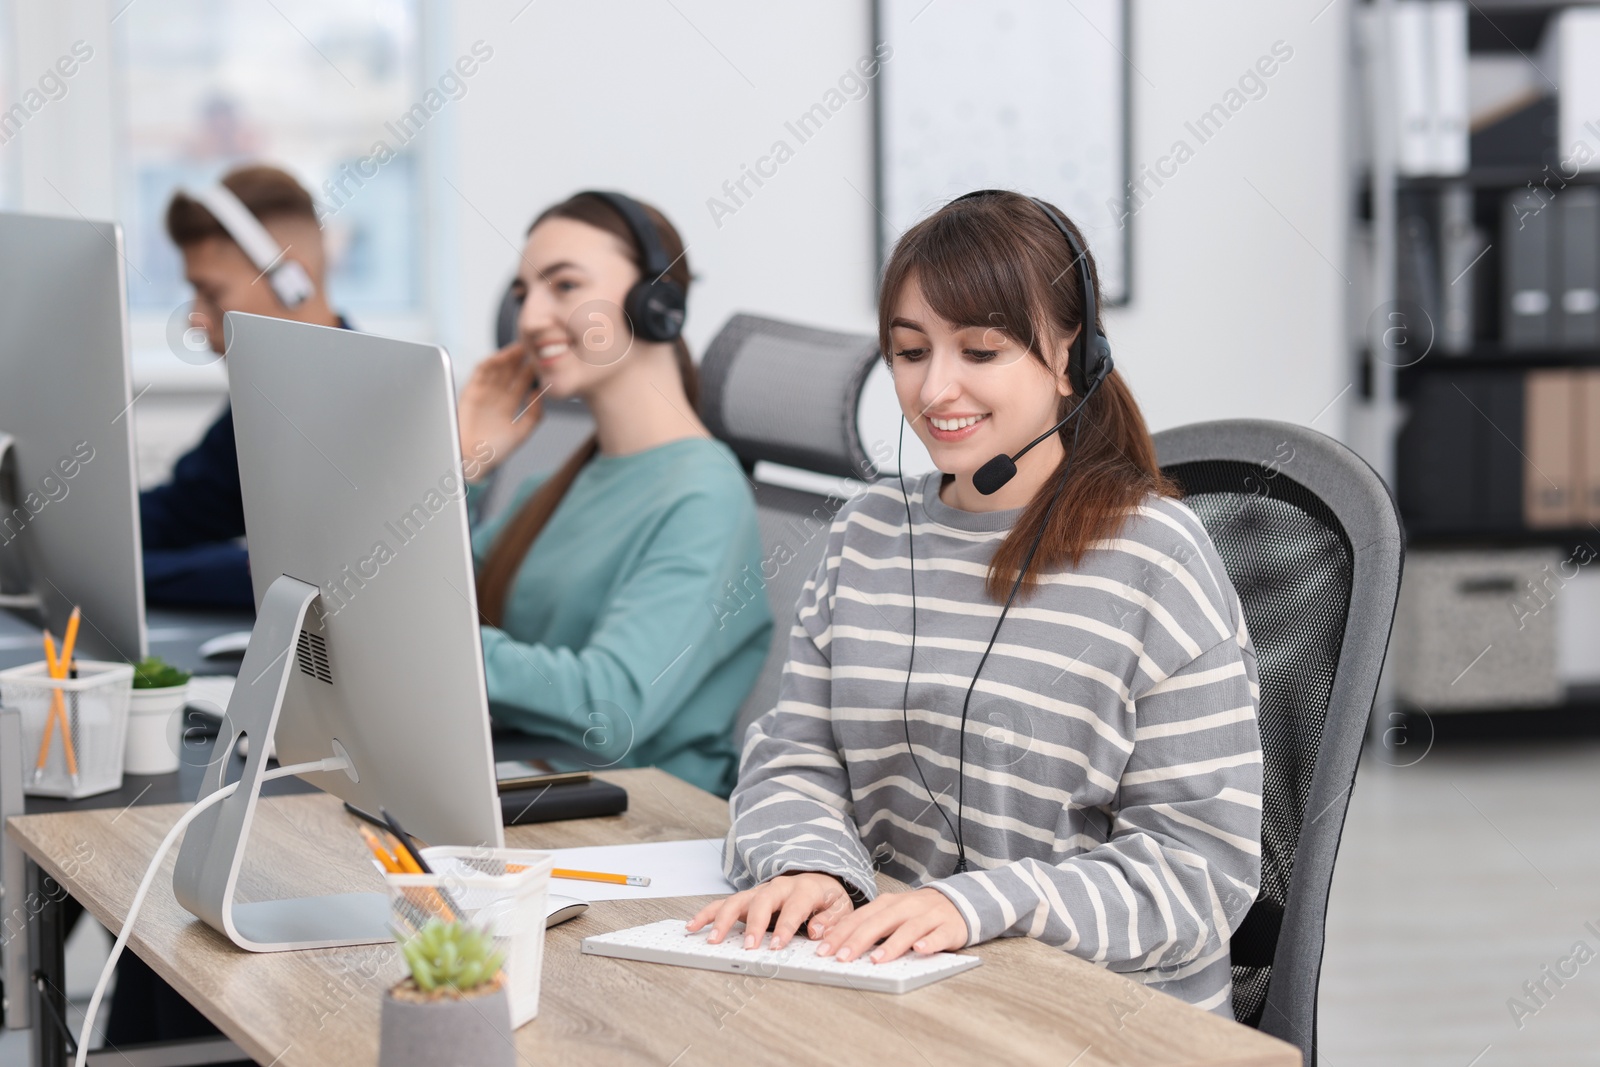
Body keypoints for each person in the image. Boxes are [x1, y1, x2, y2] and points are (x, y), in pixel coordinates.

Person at [690, 190, 1264, 1016]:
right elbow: (793, 760)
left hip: (1099, 1019)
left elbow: (1197, 876)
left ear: (1073, 356)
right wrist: (810, 865)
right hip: (904, 990)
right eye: (911, 351)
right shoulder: (868, 535)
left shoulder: (1157, 560)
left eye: (982, 350)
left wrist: (976, 903)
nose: (935, 388)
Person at [458, 190, 772, 797]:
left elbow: (612, 707)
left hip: (646, 825)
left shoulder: (703, 495)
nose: (529, 320)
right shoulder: (556, 484)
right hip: (534, 784)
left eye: (565, 286)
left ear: (655, 302)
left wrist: (440, 645)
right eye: (524, 294)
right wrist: (465, 467)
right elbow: (421, 594)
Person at [140, 164, 351, 608]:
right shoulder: (262, 400)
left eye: (212, 293)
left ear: (293, 282)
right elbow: (180, 512)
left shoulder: (375, 402)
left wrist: (132, 573)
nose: (195, 319)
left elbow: (304, 580)